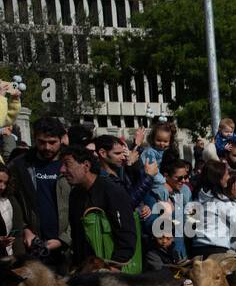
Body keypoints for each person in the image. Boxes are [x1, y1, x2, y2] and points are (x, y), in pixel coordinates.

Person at [62, 146, 144, 272]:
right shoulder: (75, 195)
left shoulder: (112, 191)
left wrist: (113, 269)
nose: (62, 170)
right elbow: (76, 236)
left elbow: (126, 235)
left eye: (67, 165)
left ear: (86, 165)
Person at [8, 116, 70, 263]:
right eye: (42, 142)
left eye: (52, 142)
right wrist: (25, 230)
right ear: (34, 139)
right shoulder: (20, 166)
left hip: (68, 248)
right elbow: (11, 203)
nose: (47, 147)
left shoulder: (72, 163)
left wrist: (64, 239)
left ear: (61, 139)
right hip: (32, 246)